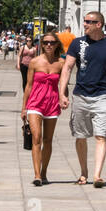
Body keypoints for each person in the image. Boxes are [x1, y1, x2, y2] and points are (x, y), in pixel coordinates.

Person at [59, 11, 106, 188]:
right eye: (85, 21)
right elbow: (67, 67)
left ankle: (97, 176)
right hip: (80, 94)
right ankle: (84, 172)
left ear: (99, 24)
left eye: (89, 21)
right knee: (80, 136)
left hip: (102, 95)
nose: (85, 24)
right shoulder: (77, 43)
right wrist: (62, 93)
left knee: (100, 135)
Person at [22, 31, 66, 186]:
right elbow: (28, 85)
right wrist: (24, 108)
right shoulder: (34, 62)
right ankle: (36, 175)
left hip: (52, 103)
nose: (49, 45)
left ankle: (44, 172)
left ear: (57, 45)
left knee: (48, 140)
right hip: (35, 103)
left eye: (52, 42)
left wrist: (64, 97)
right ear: (41, 44)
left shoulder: (61, 63)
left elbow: (63, 85)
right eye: (46, 42)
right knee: (37, 138)